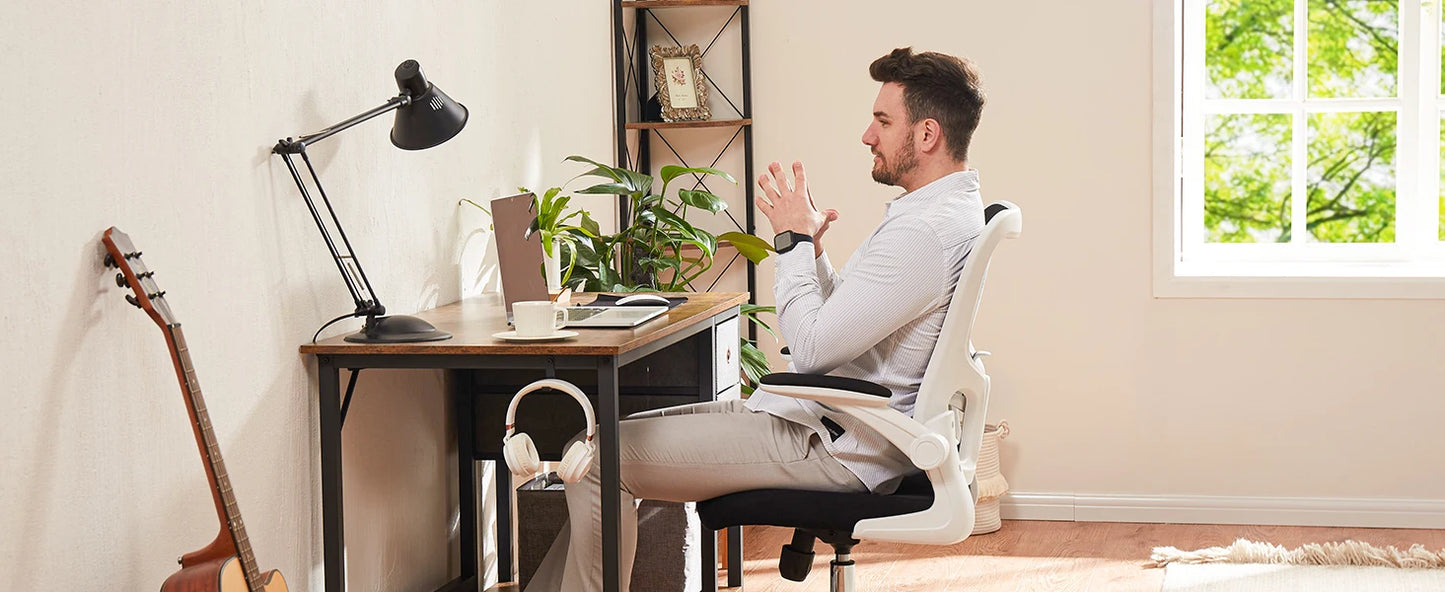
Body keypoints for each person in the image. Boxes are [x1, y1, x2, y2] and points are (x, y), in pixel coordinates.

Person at [525, 47, 988, 592]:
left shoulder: (922, 234)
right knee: (593, 444)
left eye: (884, 121)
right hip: (828, 425)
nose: (868, 135)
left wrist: (789, 241)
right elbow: (854, 321)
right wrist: (812, 253)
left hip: (829, 446)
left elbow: (812, 348)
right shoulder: (940, 214)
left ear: (928, 134)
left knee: (598, 463)